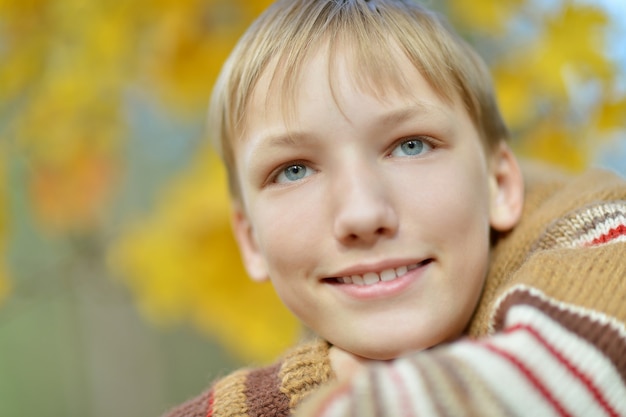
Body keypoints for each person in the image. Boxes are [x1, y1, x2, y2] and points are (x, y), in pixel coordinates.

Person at [162, 0, 626, 416]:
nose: (362, 215)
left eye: (410, 145)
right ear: (250, 239)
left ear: (500, 185)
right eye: (294, 170)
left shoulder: (594, 235)